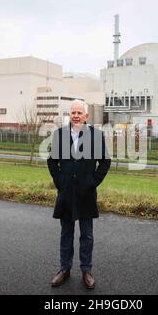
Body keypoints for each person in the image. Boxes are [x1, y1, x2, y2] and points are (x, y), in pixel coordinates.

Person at [47, 100, 111, 289]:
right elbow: (52, 162)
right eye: (73, 112)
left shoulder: (96, 136)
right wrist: (60, 182)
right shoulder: (59, 135)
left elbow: (105, 162)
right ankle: (64, 269)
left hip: (86, 194)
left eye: (79, 113)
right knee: (66, 233)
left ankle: (86, 271)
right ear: (70, 115)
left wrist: (93, 182)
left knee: (87, 235)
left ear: (86, 116)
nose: (75, 115)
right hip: (66, 193)